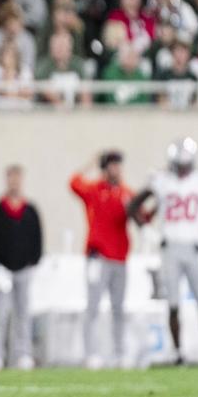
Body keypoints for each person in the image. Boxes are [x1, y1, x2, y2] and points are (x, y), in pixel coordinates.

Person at [127, 138, 198, 365]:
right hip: (170, 247)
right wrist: (148, 232)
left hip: (193, 247)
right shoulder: (161, 180)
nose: (183, 171)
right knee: (173, 304)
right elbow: (133, 206)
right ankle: (178, 353)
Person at [70, 150, 133, 369]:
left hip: (120, 258)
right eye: (113, 165)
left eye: (119, 165)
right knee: (93, 306)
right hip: (98, 257)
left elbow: (142, 215)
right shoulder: (95, 190)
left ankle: (119, 352)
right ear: (105, 168)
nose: (117, 169)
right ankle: (91, 353)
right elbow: (73, 182)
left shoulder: (126, 194)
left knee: (118, 308)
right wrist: (92, 161)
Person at [0, 165, 43, 372]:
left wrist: (34, 262)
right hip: (3, 269)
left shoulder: (30, 210)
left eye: (18, 178)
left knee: (23, 312)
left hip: (24, 268)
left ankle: (23, 353)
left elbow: (37, 238)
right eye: (11, 178)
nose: (14, 182)